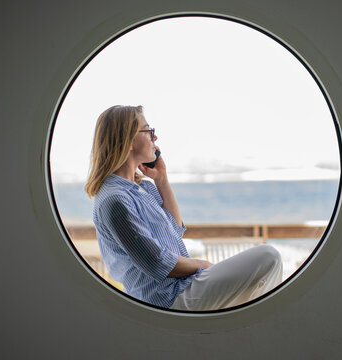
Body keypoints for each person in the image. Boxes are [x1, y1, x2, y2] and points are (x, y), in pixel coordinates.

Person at [85, 105, 282, 310]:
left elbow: (175, 229)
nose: (155, 138)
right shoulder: (115, 201)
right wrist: (203, 265)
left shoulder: (142, 188)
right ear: (127, 140)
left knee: (261, 275)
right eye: (148, 131)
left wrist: (162, 180)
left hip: (182, 287)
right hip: (168, 300)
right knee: (269, 256)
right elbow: (158, 264)